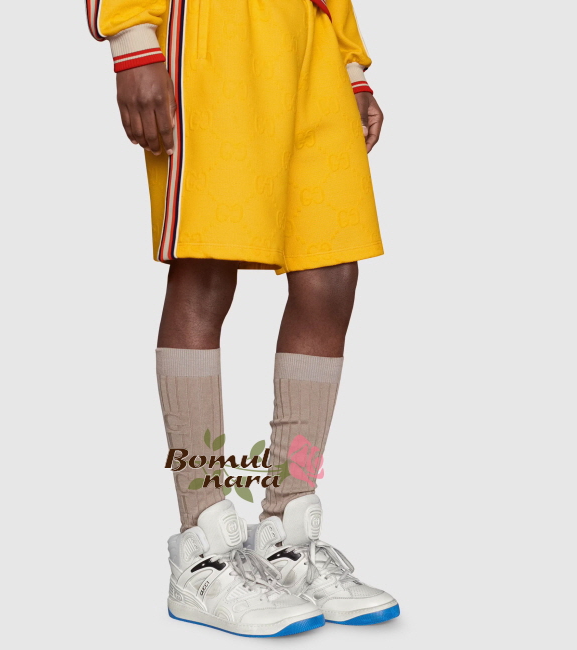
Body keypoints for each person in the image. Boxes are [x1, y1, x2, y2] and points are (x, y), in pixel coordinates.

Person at [86, 0, 399, 636]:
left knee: (331, 271)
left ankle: (287, 531)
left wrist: (350, 66)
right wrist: (132, 42)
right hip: (212, 31)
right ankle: (201, 551)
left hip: (309, 37)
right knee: (206, 268)